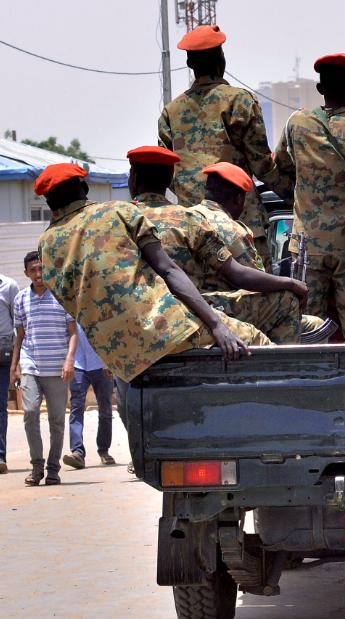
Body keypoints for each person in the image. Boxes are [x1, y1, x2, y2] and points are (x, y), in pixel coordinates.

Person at [34, 163, 269, 385]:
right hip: (167, 330)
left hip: (121, 359)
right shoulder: (118, 211)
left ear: (48, 201)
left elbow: (70, 302)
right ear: (84, 188)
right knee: (255, 339)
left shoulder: (45, 245)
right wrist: (217, 325)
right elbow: (168, 270)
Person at [131, 150, 310, 344]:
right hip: (191, 312)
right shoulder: (189, 220)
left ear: (133, 179)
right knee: (286, 300)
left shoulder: (120, 219)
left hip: (137, 315)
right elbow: (241, 275)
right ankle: (284, 370)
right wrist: (290, 283)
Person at [158, 25, 286, 268]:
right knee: (256, 297)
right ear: (221, 60)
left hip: (191, 229)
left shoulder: (171, 112)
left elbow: (167, 173)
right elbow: (261, 165)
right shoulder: (240, 100)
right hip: (240, 225)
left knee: (201, 301)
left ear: (189, 64)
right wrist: (292, 191)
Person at [273, 53, 345, 341]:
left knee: (306, 326)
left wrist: (304, 196)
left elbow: (281, 169)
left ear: (320, 89)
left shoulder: (297, 124)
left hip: (307, 245)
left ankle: (308, 380)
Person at [10, 251, 77, 486]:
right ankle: (36, 466)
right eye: (33, 270)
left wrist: (69, 361)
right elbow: (20, 336)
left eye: (41, 269)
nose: (38, 274)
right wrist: (15, 365)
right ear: (26, 273)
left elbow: (73, 333)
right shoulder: (20, 299)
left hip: (58, 369)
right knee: (29, 413)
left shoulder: (62, 296)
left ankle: (53, 468)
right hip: (31, 365)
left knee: (57, 421)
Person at [62, 324, 115, 470]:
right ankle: (77, 452)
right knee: (76, 407)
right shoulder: (71, 306)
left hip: (102, 364)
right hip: (78, 364)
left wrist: (109, 361)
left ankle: (104, 450)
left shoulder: (101, 304)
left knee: (105, 408)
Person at [0, 271, 16, 474]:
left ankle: (0, 455)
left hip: (2, 354)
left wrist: (16, 363)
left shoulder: (8, 285)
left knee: (0, 405)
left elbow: (17, 323)